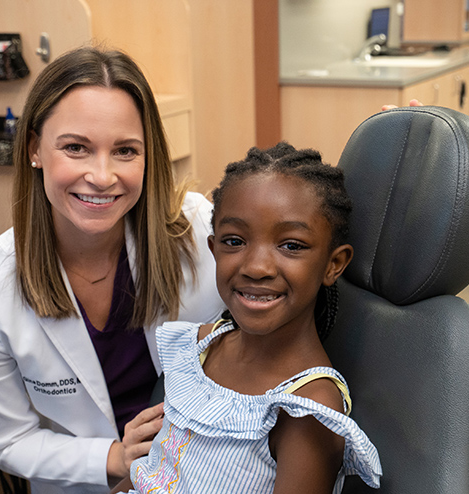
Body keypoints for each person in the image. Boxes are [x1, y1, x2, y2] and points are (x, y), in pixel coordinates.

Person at [0, 46, 224, 494]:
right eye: (76, 147)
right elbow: (7, 441)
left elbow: (293, 253)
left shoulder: (197, 232)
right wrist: (115, 457)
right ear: (35, 148)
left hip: (205, 471)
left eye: (124, 150)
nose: (102, 176)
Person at [112, 142, 382, 494]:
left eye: (291, 245)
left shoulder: (307, 409)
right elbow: (146, 475)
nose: (256, 267)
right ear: (213, 250)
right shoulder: (199, 348)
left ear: (334, 264)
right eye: (234, 241)